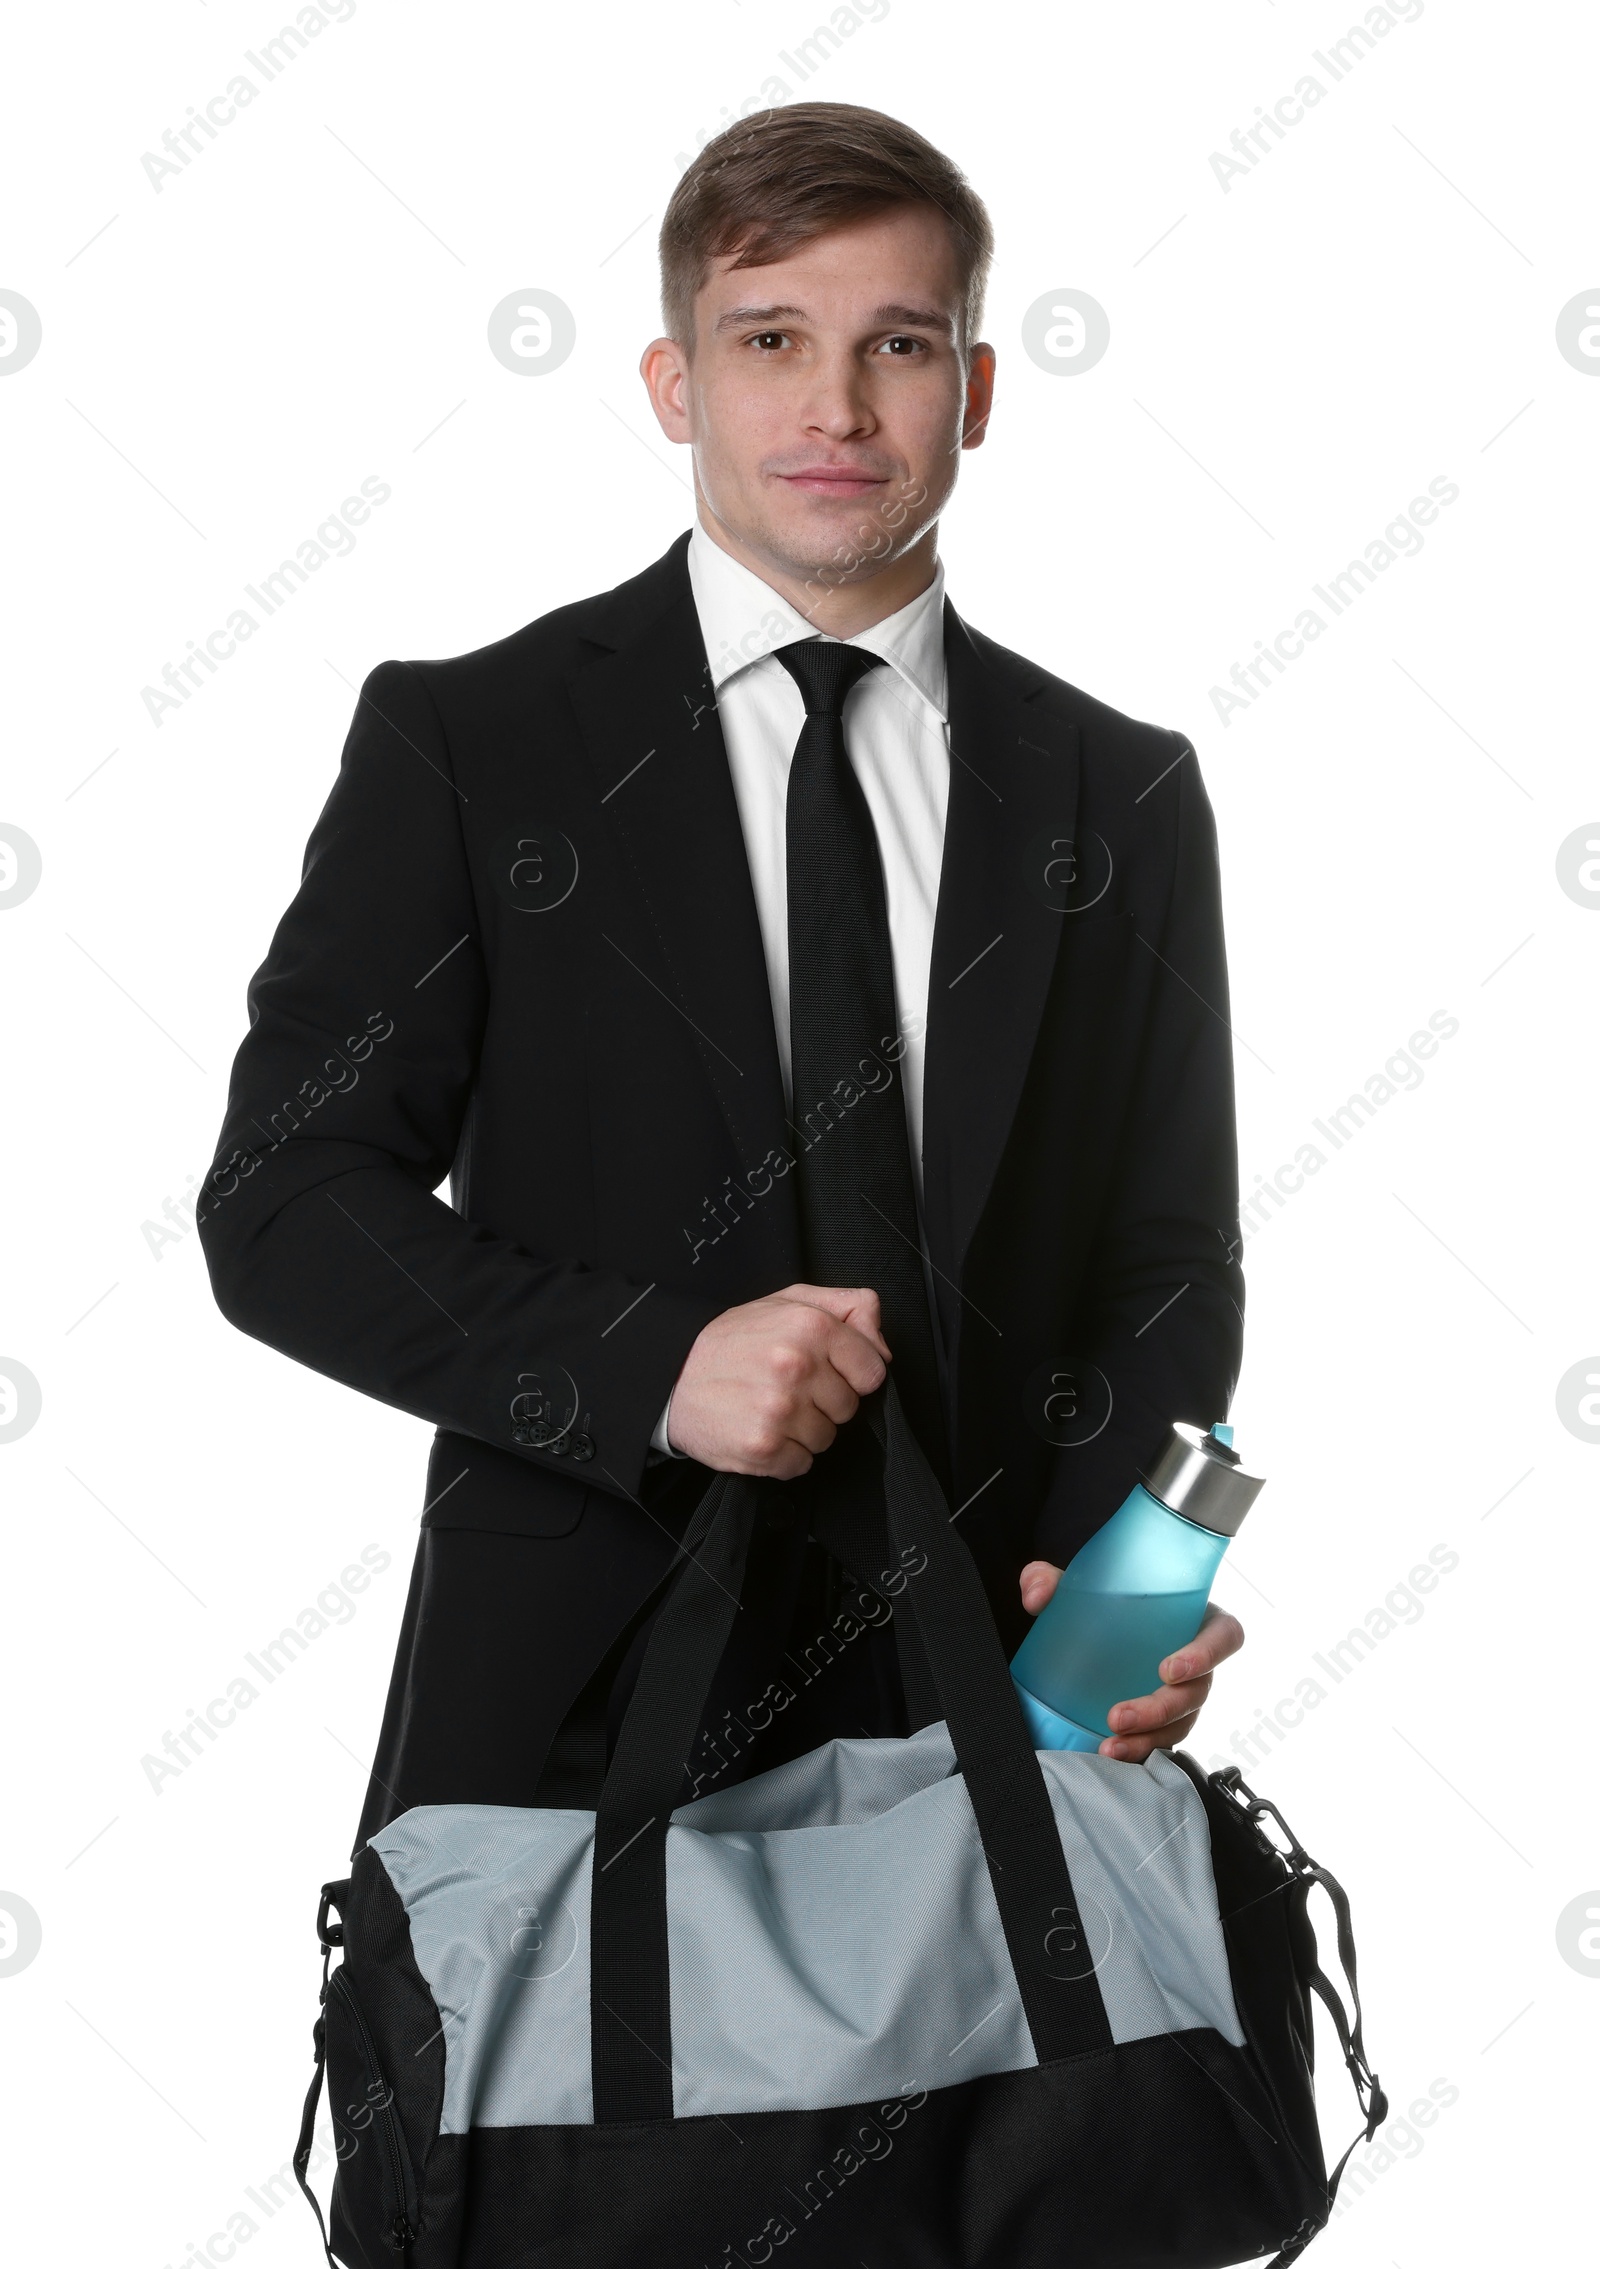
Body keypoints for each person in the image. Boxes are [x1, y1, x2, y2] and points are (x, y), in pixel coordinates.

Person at [196, 101, 1245, 1855]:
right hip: (571, 1716)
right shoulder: (476, 745)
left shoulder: (1117, 790)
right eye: (770, 343)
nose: (835, 409)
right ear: (676, 384)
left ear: (974, 393)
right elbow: (284, 1199)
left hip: (1007, 1715)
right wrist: (649, 1365)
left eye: (897, 345)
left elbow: (1166, 1261)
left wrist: (1113, 1612)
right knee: (566, 2136)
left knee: (1078, 2139)